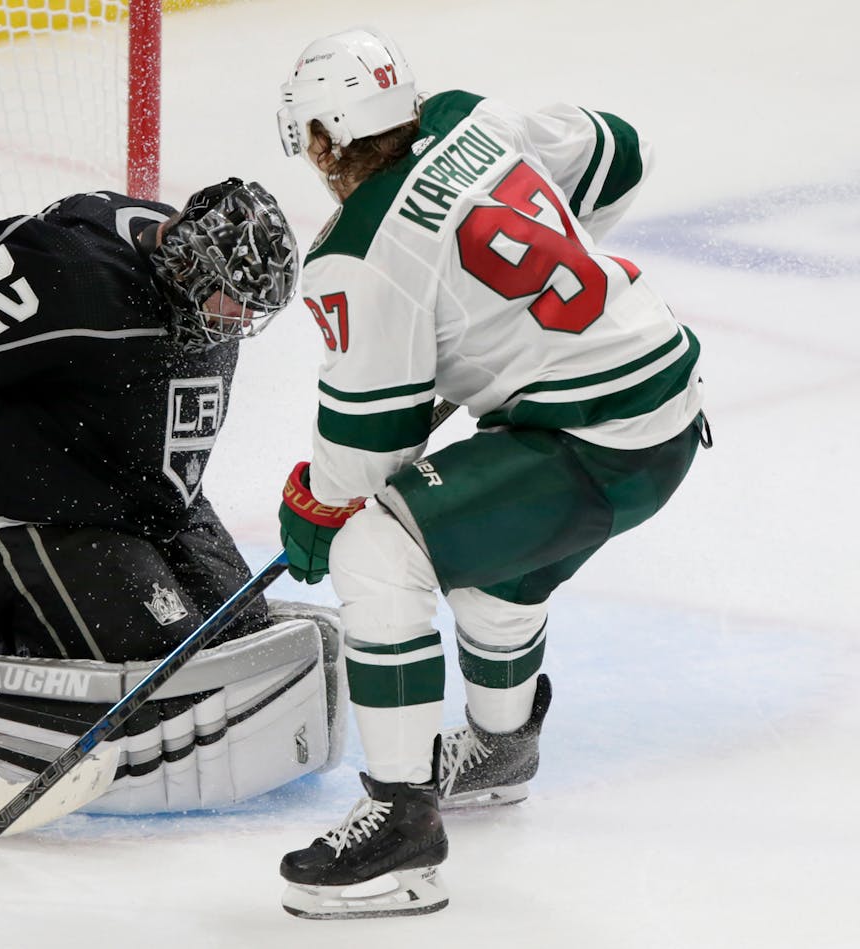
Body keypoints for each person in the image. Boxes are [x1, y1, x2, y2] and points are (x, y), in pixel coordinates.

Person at [272, 27, 710, 919]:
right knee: (494, 556)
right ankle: (502, 749)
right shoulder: (472, 119)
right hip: (664, 390)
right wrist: (518, 317)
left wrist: (315, 505)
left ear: (324, 140)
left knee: (375, 544)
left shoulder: (359, 248)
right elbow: (623, 153)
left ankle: (400, 828)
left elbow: (367, 443)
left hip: (592, 436)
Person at [0, 179, 349, 818]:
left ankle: (22, 654)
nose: (234, 322)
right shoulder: (73, 274)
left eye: (248, 309)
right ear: (184, 259)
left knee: (240, 643)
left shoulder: (193, 297)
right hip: (13, 514)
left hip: (126, 504)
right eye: (228, 300)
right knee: (163, 675)